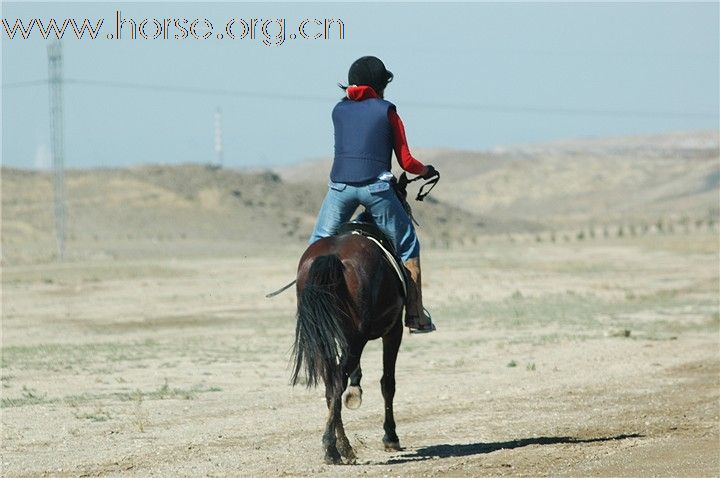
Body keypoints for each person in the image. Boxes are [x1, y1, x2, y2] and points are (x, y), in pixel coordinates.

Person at [308, 56, 437, 333]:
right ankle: (415, 316)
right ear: (380, 85)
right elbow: (406, 162)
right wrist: (425, 171)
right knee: (408, 245)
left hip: (340, 187)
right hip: (376, 189)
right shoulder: (387, 111)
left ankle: (307, 307)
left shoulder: (338, 111)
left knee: (317, 244)